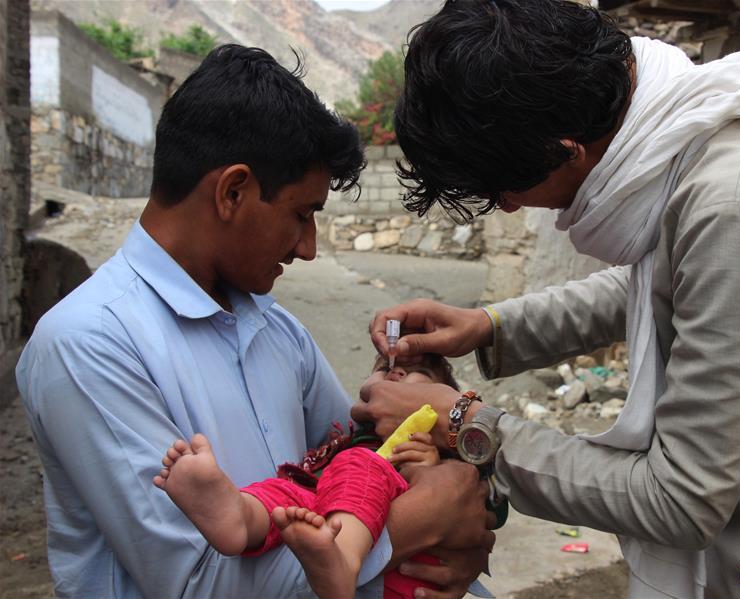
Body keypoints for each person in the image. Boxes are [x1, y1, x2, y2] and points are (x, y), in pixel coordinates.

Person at [355, 2, 740, 598]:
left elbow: (681, 502)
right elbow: (666, 284)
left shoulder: (737, 207)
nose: (509, 206)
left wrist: (464, 423)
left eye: (505, 189)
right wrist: (486, 326)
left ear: (567, 152)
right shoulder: (692, 132)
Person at [16, 44, 493, 599]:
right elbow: (199, 584)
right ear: (232, 191)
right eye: (301, 214)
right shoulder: (88, 343)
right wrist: (428, 519)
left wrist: (461, 518)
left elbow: (360, 463)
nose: (310, 248)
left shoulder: (278, 331)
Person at [154, 354, 461, 599]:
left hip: (390, 569)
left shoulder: (428, 449)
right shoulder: (347, 436)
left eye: (420, 371)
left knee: (361, 463)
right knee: (284, 493)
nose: (396, 372)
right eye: (385, 367)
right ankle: (238, 517)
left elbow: (469, 496)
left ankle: (343, 558)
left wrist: (426, 467)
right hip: (323, 502)